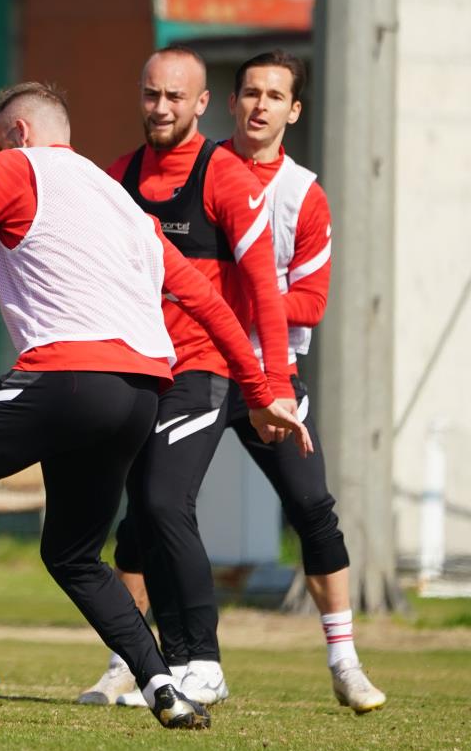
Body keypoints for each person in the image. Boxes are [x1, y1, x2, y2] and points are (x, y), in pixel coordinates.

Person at [0, 83, 309, 728]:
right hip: (141, 392)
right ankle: (163, 686)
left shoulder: (16, 165)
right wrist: (261, 392)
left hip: (70, 378)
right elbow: (208, 303)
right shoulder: (122, 202)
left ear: (21, 134)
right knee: (73, 554)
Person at [81, 51, 385, 713]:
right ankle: (129, 664)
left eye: (275, 96)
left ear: (293, 111)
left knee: (311, 508)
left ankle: (345, 662)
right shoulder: (197, 167)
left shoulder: (302, 193)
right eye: (250, 92)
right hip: (187, 362)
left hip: (265, 371)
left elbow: (312, 300)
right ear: (226, 102)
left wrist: (234, 296)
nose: (260, 105)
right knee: (149, 511)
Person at [76, 46, 295, 708]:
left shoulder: (226, 177)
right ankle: (157, 662)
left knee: (167, 502)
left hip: (204, 369)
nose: (161, 108)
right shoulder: (119, 177)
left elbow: (262, 289)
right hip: (140, 370)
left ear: (202, 104)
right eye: (151, 95)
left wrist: (275, 384)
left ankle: (203, 660)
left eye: (176, 97)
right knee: (140, 517)